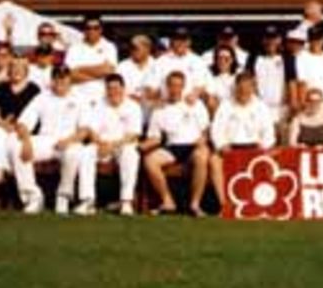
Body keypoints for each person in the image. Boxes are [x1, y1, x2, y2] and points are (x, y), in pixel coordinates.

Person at [11, 65, 93, 215]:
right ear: (52, 80)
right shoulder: (42, 97)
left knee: (73, 153)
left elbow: (84, 130)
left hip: (70, 140)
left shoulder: (80, 99)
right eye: (57, 78)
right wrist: (27, 142)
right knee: (17, 147)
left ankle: (63, 196)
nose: (61, 81)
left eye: (64, 78)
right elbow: (22, 123)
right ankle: (34, 196)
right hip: (46, 140)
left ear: (70, 79)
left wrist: (68, 141)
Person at [141, 71, 212, 216]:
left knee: (202, 156)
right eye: (172, 85)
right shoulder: (160, 109)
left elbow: (206, 130)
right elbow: (155, 138)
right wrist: (139, 146)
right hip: (172, 147)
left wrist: (202, 141)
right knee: (150, 160)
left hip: (193, 145)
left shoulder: (195, 104)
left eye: (178, 86)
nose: (175, 89)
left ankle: (195, 204)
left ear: (183, 87)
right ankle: (168, 201)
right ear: (167, 87)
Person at [209, 72, 278, 211]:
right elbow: (216, 128)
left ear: (253, 88)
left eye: (247, 88)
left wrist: (263, 146)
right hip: (230, 148)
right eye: (241, 88)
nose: (244, 91)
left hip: (255, 147)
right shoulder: (226, 105)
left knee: (272, 159)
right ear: (236, 88)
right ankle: (224, 204)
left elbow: (269, 132)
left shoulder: (261, 106)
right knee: (214, 161)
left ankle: (263, 202)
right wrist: (222, 145)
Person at [82, 73, 145, 215]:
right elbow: (91, 130)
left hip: (122, 145)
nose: (113, 92)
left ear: (123, 88)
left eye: (116, 88)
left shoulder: (133, 106)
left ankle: (126, 201)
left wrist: (113, 145)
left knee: (131, 154)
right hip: (101, 145)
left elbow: (133, 134)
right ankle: (88, 200)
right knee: (86, 152)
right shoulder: (98, 105)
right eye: (109, 88)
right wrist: (98, 142)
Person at [0, 58, 42, 192]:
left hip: (26, 130)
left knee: (11, 141)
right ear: (9, 71)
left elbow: (38, 114)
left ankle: (6, 175)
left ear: (26, 72)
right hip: (5, 126)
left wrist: (19, 127)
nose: (16, 71)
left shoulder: (34, 89)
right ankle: (0, 170)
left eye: (20, 68)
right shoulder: (1, 87)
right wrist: (2, 123)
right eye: (13, 68)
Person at [64, 15, 118, 109]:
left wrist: (80, 69)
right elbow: (69, 75)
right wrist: (98, 73)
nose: (92, 31)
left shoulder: (109, 47)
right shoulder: (74, 48)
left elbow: (108, 71)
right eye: (88, 28)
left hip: (102, 98)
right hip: (78, 98)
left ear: (101, 30)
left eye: (95, 28)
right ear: (84, 30)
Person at [153, 26, 212, 108]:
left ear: (189, 42)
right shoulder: (160, 62)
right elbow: (151, 87)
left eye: (184, 40)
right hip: (166, 104)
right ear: (172, 41)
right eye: (177, 39)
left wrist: (195, 94)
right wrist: (158, 98)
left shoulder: (198, 61)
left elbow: (203, 84)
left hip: (190, 105)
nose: (180, 43)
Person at [117, 34, 161, 119]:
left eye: (136, 48)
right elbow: (117, 89)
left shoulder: (158, 65)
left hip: (152, 115)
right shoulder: (122, 66)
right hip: (128, 113)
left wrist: (155, 94)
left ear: (147, 49)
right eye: (131, 48)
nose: (133, 51)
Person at [294, 26, 323, 115]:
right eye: (313, 39)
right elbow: (301, 82)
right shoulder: (301, 56)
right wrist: (303, 104)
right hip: (309, 102)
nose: (315, 42)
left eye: (318, 39)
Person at [206, 44, 240, 115]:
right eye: (220, 58)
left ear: (232, 60)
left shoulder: (237, 77)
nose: (223, 61)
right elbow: (211, 100)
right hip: (219, 113)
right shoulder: (210, 78)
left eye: (226, 59)